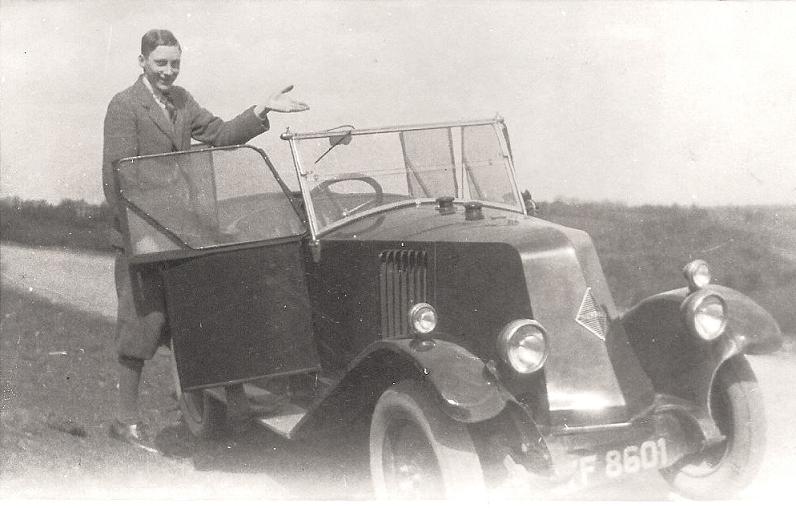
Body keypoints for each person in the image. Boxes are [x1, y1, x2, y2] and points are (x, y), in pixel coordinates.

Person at [102, 29, 308, 452]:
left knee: (207, 319)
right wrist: (145, 231)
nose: (168, 71)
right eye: (160, 63)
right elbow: (120, 175)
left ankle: (234, 411)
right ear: (141, 62)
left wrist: (261, 109)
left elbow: (220, 134)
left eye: (174, 63)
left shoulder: (182, 101)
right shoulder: (124, 107)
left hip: (184, 235)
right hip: (144, 239)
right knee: (140, 328)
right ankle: (125, 421)